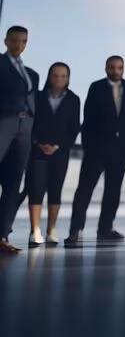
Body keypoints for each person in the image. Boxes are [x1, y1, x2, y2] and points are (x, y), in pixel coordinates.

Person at [66, 55, 125, 246]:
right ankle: (76, 229)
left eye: (119, 67)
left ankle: (105, 229)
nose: (115, 71)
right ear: (106, 68)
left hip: (120, 151)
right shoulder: (96, 87)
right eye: (111, 67)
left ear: (123, 68)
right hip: (96, 150)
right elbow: (88, 118)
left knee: (113, 191)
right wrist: (88, 146)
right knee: (84, 190)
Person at [23, 62, 80, 247]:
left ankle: (51, 231)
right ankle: (35, 230)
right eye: (56, 75)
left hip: (60, 152)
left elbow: (74, 128)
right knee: (36, 190)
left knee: (55, 191)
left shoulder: (73, 99)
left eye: (63, 76)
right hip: (37, 150)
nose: (59, 79)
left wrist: (59, 145)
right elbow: (31, 122)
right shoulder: (38, 97)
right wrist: (39, 143)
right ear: (49, 76)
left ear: (68, 78)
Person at [0, 25, 39, 254]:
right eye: (14, 40)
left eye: (23, 41)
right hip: (4, 122)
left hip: (26, 127)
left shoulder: (32, 73)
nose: (18, 44)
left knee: (14, 183)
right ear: (6, 41)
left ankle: (3, 234)